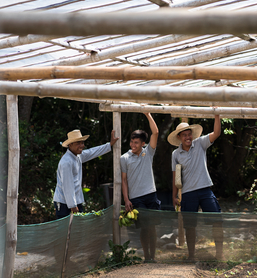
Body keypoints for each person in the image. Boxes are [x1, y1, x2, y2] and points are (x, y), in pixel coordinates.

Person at [168, 115, 223, 261]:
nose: (187, 137)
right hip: (187, 193)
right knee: (190, 226)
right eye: (184, 135)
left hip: (205, 189)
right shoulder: (175, 154)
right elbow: (175, 177)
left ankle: (220, 254)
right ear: (179, 137)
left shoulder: (200, 143)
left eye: (189, 134)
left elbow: (216, 133)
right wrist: (174, 196)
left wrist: (217, 115)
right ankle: (191, 255)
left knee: (217, 220)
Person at [121, 112, 161, 263]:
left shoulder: (148, 153)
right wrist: (126, 199)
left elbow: (155, 132)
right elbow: (124, 180)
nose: (133, 145)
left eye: (136, 142)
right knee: (144, 227)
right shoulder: (124, 158)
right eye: (132, 142)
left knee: (152, 227)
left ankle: (153, 257)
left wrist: (147, 113)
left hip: (151, 195)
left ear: (143, 143)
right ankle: (147, 257)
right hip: (136, 198)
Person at [54, 129, 119, 219]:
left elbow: (92, 152)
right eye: (78, 143)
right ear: (70, 145)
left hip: (75, 201)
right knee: (65, 231)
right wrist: (73, 206)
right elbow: (67, 186)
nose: (82, 146)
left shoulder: (77, 155)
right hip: (64, 203)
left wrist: (110, 144)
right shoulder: (66, 162)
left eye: (82, 143)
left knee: (78, 229)